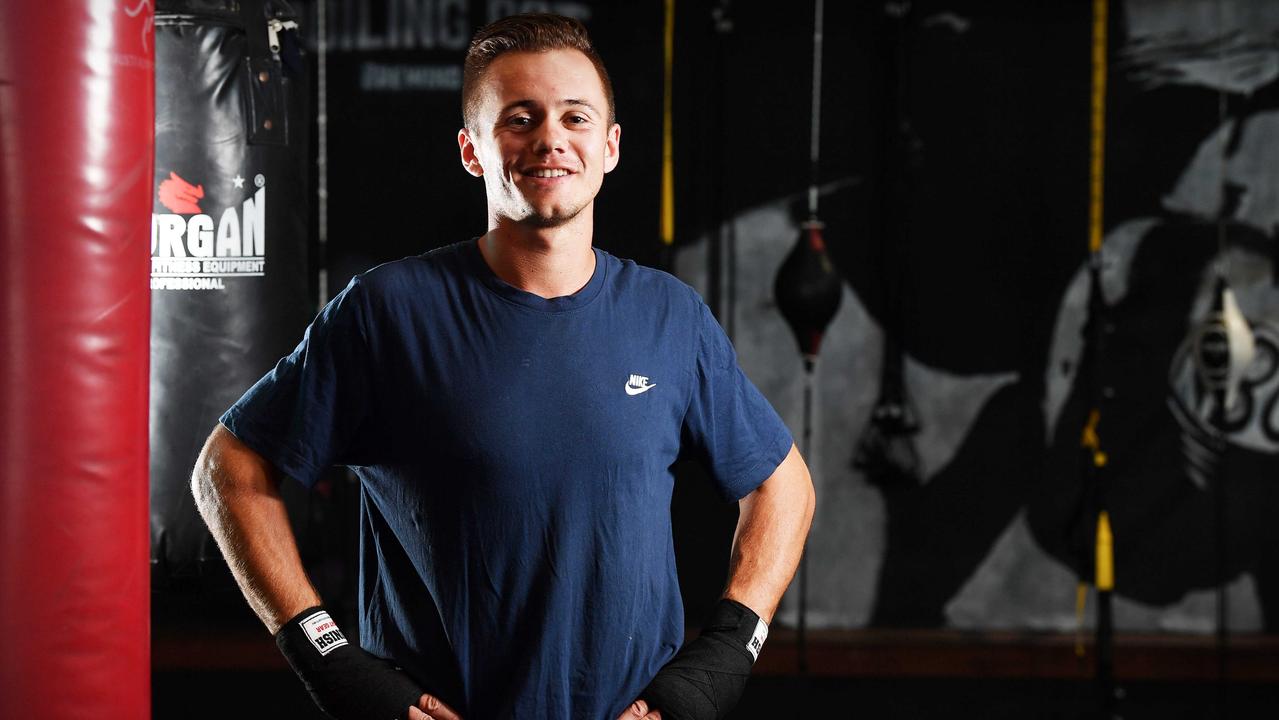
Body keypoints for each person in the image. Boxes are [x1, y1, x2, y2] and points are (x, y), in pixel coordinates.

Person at [192, 13, 814, 720]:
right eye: (519, 119)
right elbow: (229, 471)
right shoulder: (388, 310)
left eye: (575, 118)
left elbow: (782, 487)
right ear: (472, 150)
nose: (550, 138)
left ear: (609, 147)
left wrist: (722, 660)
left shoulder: (669, 316)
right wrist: (327, 658)